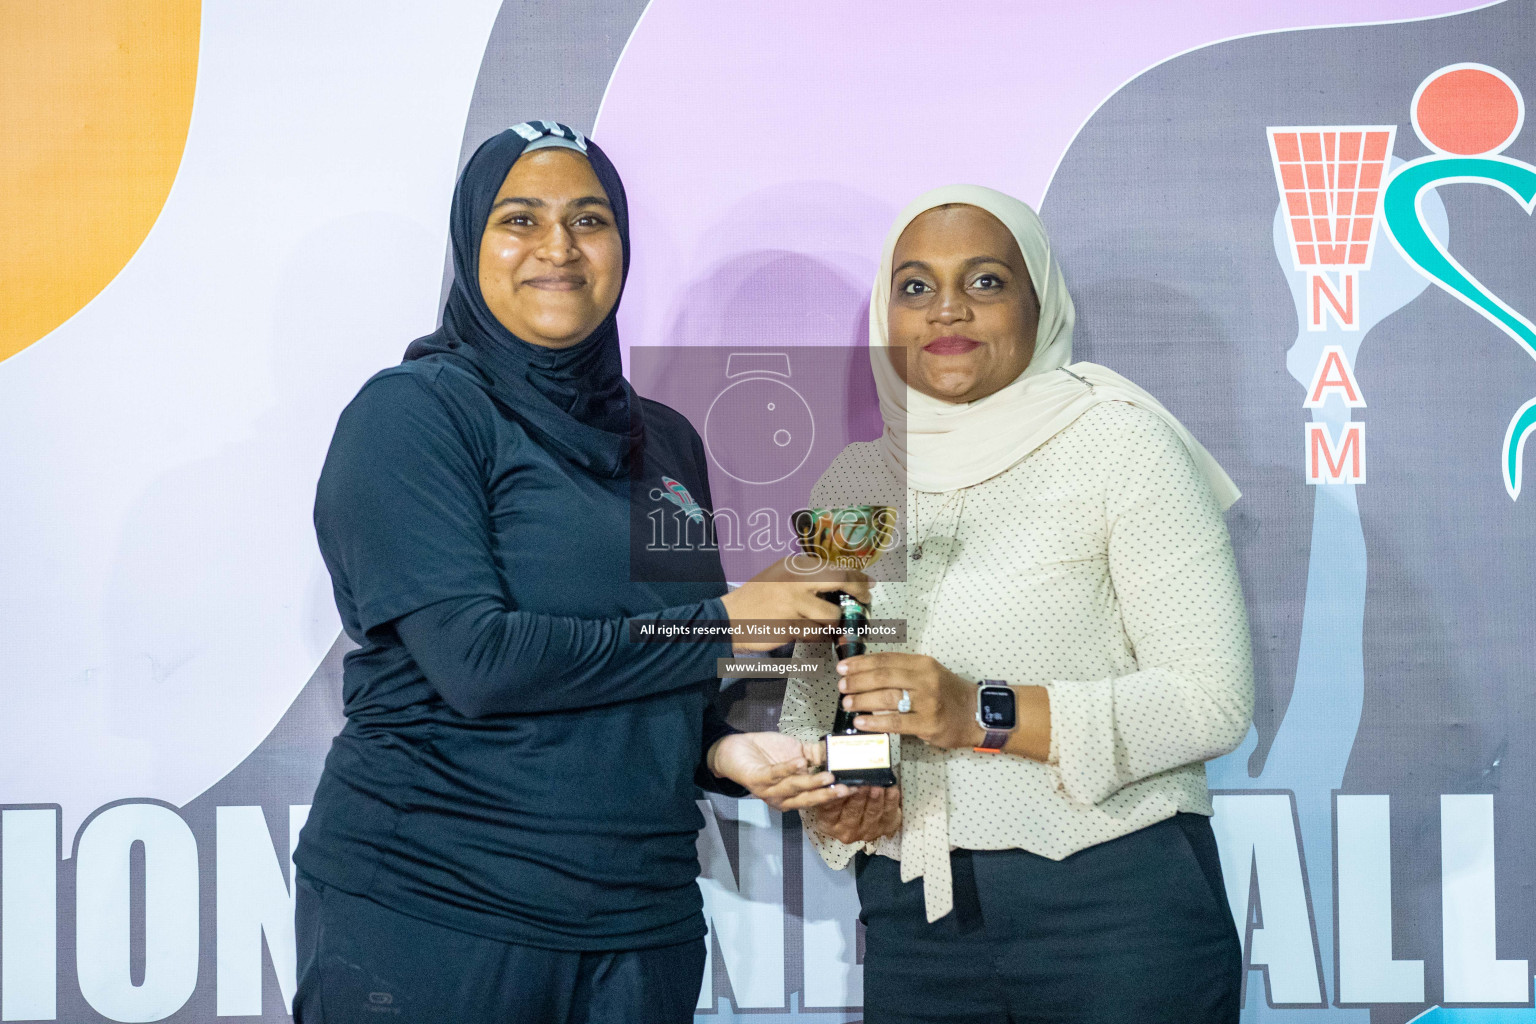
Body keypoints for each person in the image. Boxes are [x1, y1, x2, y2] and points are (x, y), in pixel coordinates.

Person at [291, 121, 860, 1024]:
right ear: (470, 243)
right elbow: (478, 661)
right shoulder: (412, 417)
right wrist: (727, 622)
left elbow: (670, 663)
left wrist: (723, 749)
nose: (557, 248)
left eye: (589, 221)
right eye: (519, 219)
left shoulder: (664, 439)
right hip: (435, 911)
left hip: (641, 919)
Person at [779, 185, 1253, 1023]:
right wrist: (848, 796)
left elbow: (1210, 702)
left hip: (1116, 912)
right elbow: (821, 709)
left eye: (986, 281)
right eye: (915, 285)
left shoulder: (1119, 440)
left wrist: (978, 712)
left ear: (1040, 303)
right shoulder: (853, 483)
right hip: (916, 922)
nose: (946, 308)